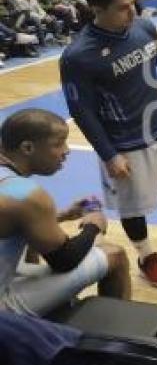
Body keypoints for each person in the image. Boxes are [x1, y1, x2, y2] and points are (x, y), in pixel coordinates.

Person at [61, 0, 157, 288]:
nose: (132, 11)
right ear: (97, 9)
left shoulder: (144, 28)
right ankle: (146, 257)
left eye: (133, 3)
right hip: (124, 143)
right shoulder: (77, 56)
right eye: (122, 7)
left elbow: (150, 72)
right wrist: (109, 154)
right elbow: (80, 110)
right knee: (132, 206)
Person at [0, 109, 131, 315]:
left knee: (33, 241)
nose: (66, 150)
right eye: (58, 143)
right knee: (115, 255)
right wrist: (93, 225)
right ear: (27, 147)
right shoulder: (26, 194)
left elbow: (12, 219)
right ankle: (118, 341)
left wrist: (61, 215)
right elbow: (65, 260)